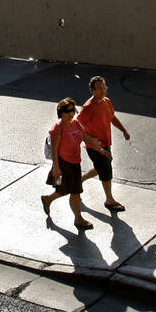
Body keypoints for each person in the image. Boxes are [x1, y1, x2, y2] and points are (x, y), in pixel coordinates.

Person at [40, 97, 106, 231]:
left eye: (73, 110)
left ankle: (48, 199)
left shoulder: (76, 123)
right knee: (74, 192)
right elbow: (54, 151)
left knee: (64, 190)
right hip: (63, 165)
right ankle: (78, 219)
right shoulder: (58, 128)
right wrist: (56, 169)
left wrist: (101, 150)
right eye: (68, 111)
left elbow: (86, 138)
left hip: (75, 163)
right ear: (61, 112)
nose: (72, 113)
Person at [79, 75, 131, 212]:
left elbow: (112, 118)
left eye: (104, 87)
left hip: (106, 143)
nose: (103, 91)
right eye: (99, 88)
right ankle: (109, 200)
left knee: (100, 168)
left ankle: (78, 181)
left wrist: (124, 130)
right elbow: (77, 126)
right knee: (106, 170)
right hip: (95, 146)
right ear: (92, 90)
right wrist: (89, 139)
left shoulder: (106, 101)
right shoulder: (88, 107)